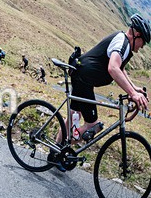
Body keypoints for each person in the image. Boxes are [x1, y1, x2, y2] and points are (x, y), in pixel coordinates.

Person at [55, 14, 149, 150]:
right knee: (93, 125)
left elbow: (120, 68)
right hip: (84, 79)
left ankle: (57, 150)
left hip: (81, 74)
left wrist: (134, 89)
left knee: (73, 117)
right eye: (144, 42)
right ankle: (62, 150)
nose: (142, 46)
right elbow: (113, 68)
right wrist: (133, 95)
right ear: (137, 35)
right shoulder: (123, 43)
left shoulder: (122, 40)